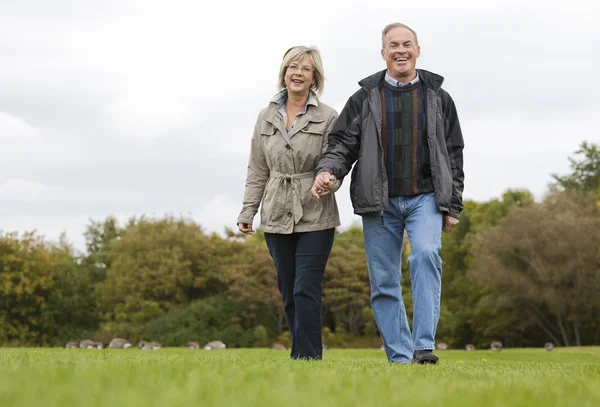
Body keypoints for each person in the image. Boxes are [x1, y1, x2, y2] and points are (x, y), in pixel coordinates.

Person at [312, 23, 464, 364]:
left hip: (425, 197)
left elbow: (453, 152)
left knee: (425, 255)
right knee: (383, 282)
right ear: (383, 53)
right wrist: (327, 171)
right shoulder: (364, 99)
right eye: (393, 45)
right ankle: (399, 357)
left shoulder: (438, 96)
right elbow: (342, 144)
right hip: (378, 202)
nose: (400, 50)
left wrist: (452, 204)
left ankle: (423, 346)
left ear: (418, 50)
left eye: (407, 44)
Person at [237, 46, 340, 360]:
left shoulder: (328, 116)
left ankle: (307, 358)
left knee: (305, 287)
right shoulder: (266, 116)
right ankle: (302, 353)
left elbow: (336, 160)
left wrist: (329, 177)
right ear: (284, 72)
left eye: (306, 69)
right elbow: (257, 167)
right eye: (293, 66)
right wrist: (248, 209)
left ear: (314, 78)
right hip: (275, 210)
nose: (298, 73)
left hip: (316, 211)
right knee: (288, 289)